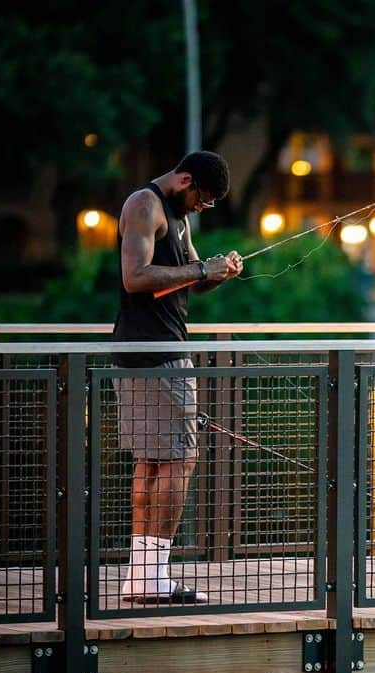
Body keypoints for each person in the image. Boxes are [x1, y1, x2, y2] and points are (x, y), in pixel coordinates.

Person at [111, 151, 243, 603]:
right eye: (201, 199)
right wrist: (201, 268)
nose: (200, 208)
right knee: (178, 461)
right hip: (158, 353)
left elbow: (189, 278)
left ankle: (141, 579)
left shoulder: (178, 216)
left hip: (148, 353)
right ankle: (153, 579)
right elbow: (135, 277)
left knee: (151, 462)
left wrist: (217, 272)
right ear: (184, 179)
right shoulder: (144, 205)